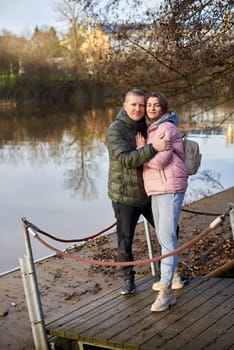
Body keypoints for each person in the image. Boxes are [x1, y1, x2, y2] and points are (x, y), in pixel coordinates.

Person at [106, 88, 171, 295]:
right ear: (125, 106)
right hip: (125, 196)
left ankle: (167, 274)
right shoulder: (115, 130)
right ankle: (127, 279)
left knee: (170, 231)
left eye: (141, 105)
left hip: (148, 193)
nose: (138, 109)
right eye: (133, 105)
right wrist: (152, 148)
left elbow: (168, 122)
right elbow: (126, 159)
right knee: (125, 240)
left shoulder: (147, 126)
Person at [136, 91, 188, 311]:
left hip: (170, 186)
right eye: (149, 105)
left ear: (163, 108)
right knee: (164, 236)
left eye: (156, 105)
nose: (151, 108)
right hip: (157, 188)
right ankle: (171, 280)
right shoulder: (152, 130)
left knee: (166, 238)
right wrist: (149, 150)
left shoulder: (166, 128)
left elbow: (160, 161)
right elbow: (154, 157)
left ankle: (166, 291)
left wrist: (141, 151)